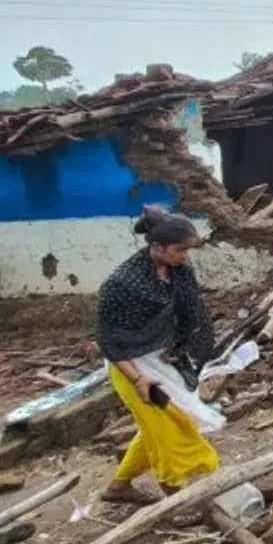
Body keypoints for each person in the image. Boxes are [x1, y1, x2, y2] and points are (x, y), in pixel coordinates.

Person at [97, 206, 219, 505]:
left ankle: (117, 488)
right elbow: (108, 341)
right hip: (129, 365)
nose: (185, 256)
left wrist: (181, 349)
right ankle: (174, 495)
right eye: (179, 250)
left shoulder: (180, 271)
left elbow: (191, 314)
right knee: (169, 426)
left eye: (187, 250)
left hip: (162, 358)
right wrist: (138, 379)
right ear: (157, 247)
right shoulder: (122, 284)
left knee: (161, 425)